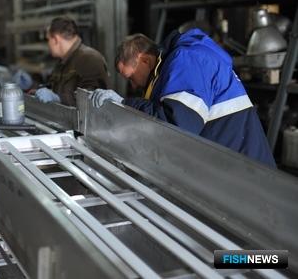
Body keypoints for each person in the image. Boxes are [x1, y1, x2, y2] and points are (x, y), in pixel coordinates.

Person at [90, 28, 276, 168]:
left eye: (131, 77)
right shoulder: (171, 69)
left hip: (248, 175)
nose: (133, 85)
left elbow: (177, 126)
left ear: (145, 60)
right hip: (233, 169)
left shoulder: (187, 60)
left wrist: (124, 104)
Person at [15, 16, 109, 106]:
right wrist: (32, 86)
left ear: (56, 39)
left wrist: (58, 98)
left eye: (48, 39)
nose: (48, 44)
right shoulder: (63, 61)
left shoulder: (90, 59)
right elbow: (51, 90)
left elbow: (92, 99)